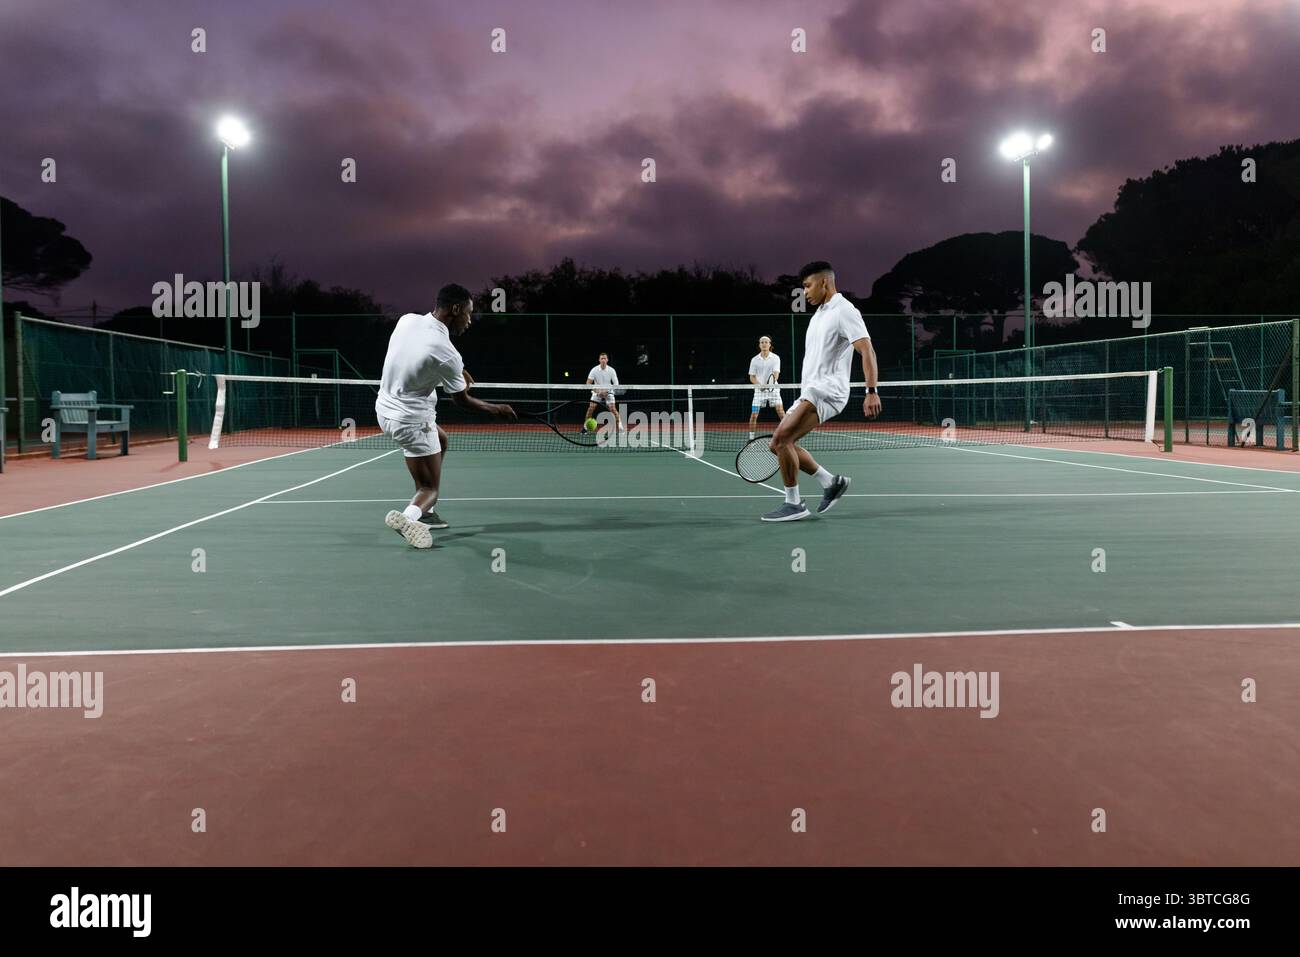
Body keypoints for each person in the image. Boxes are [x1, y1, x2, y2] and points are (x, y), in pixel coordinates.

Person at [375, 283, 516, 548]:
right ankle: (411, 516)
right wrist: (496, 409)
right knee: (430, 489)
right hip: (411, 422)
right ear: (456, 309)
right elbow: (462, 401)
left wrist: (458, 370)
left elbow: (416, 354)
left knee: (442, 440)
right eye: (469, 313)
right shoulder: (446, 352)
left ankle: (424, 510)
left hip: (384, 411)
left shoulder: (408, 321)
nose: (470, 320)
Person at [761, 261, 881, 522]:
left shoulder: (844, 311)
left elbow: (867, 349)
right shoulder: (819, 314)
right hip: (811, 390)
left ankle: (793, 504)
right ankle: (831, 482)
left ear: (824, 282)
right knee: (778, 444)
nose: (804, 292)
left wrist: (871, 390)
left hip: (827, 390)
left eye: (807, 286)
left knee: (782, 439)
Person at [747, 335, 785, 439]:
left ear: (770, 344)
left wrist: (770, 384)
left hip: (773, 390)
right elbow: (752, 377)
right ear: (759, 345)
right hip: (759, 391)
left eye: (766, 342)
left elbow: (776, 374)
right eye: (762, 342)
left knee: (780, 411)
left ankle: (788, 435)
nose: (764, 344)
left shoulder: (776, 358)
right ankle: (751, 438)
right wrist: (759, 385)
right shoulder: (754, 360)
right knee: (754, 414)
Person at [584, 352, 625, 432]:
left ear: (607, 360)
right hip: (597, 393)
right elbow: (588, 383)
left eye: (605, 358)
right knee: (591, 408)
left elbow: (616, 384)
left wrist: (606, 391)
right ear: (599, 360)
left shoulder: (611, 370)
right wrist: (597, 391)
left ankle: (620, 427)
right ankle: (585, 427)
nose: (603, 360)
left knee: (613, 409)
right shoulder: (594, 370)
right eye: (602, 358)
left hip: (608, 392)